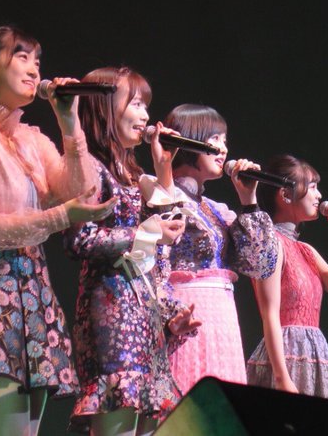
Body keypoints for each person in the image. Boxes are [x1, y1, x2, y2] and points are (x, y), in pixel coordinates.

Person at [0, 25, 116, 436]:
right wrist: (59, 217)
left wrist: (69, 122)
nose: (34, 70)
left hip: (33, 287)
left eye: (38, 61)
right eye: (22, 57)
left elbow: (81, 190)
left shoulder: (30, 138)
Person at [64, 67, 201, 435]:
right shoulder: (89, 167)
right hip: (110, 309)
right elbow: (80, 239)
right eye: (136, 104)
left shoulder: (133, 174)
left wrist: (163, 166)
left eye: (145, 105)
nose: (145, 115)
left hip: (143, 311)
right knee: (118, 415)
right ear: (106, 108)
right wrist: (143, 232)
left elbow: (167, 235)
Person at [139, 103, 278, 395]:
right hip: (184, 313)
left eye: (225, 140)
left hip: (222, 318)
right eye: (214, 139)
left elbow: (260, 265)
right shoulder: (158, 192)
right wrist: (164, 174)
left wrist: (249, 200)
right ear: (189, 141)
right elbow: (157, 251)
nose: (223, 148)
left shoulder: (215, 209)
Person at [245, 154, 328, 398]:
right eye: (313, 187)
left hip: (312, 355)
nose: (319, 195)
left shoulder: (306, 251)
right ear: (286, 195)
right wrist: (281, 377)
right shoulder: (271, 242)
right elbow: (269, 313)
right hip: (286, 356)